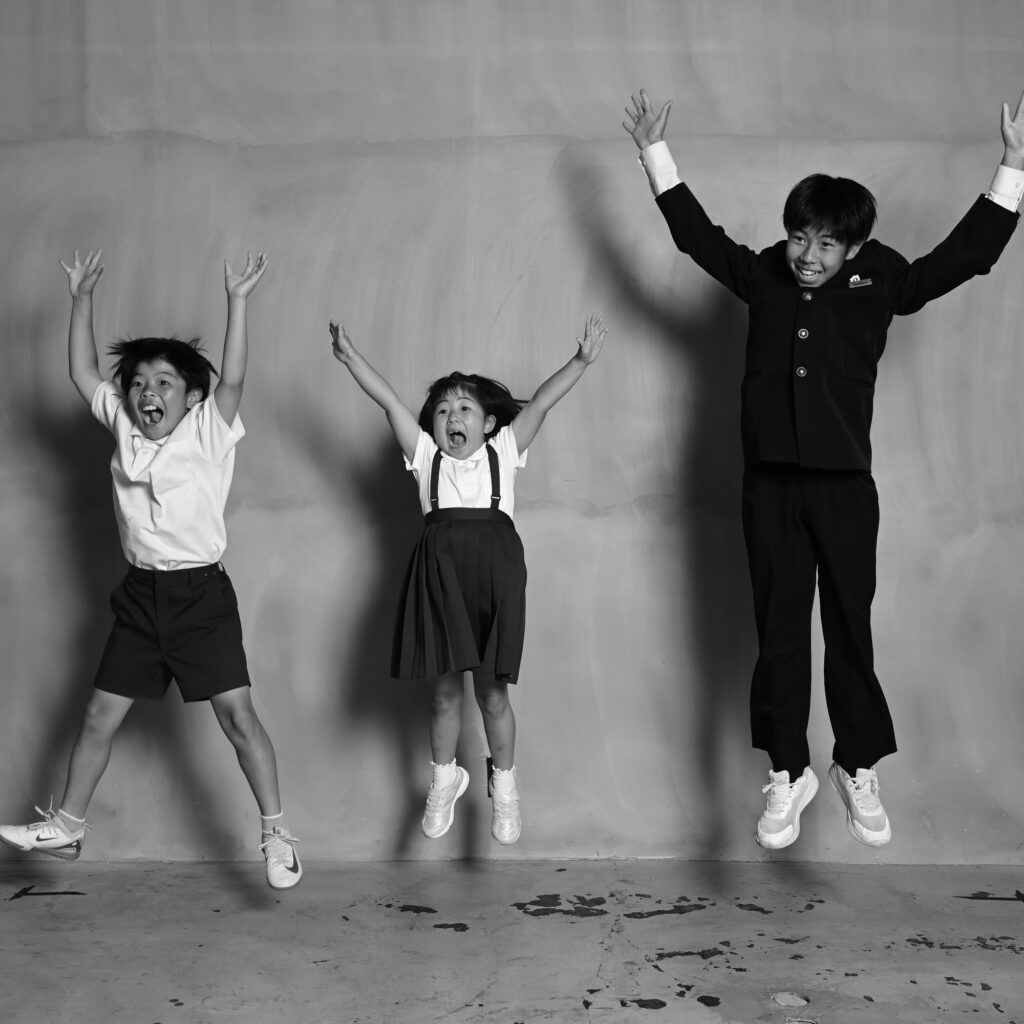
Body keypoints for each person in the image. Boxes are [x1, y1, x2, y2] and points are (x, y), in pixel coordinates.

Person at [623, 88, 1024, 850]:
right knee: (778, 633)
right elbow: (696, 239)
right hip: (770, 486)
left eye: (827, 244)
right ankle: (787, 772)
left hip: (844, 487)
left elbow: (965, 259)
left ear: (856, 249)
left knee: (848, 628)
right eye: (799, 237)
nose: (808, 255)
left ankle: (856, 765)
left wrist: (1013, 166)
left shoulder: (883, 281)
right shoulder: (764, 275)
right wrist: (654, 154)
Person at [0, 249, 302, 890]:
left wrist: (237, 301)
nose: (147, 392)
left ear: (191, 397)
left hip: (201, 596)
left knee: (238, 719)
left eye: (164, 383)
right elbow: (83, 372)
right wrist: (81, 300)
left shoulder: (209, 431)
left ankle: (277, 836)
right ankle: (68, 827)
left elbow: (234, 377)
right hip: (140, 596)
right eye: (138, 383)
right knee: (96, 717)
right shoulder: (125, 429)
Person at [328, 315, 607, 844]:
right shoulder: (425, 457)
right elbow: (387, 400)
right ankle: (444, 779)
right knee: (443, 691)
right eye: (441, 410)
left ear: (488, 423)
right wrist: (351, 358)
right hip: (439, 572)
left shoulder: (504, 452)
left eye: (464, 408)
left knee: (493, 693)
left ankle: (505, 785)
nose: (451, 416)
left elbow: (541, 403)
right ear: (431, 427)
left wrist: (580, 361)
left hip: (496, 573)